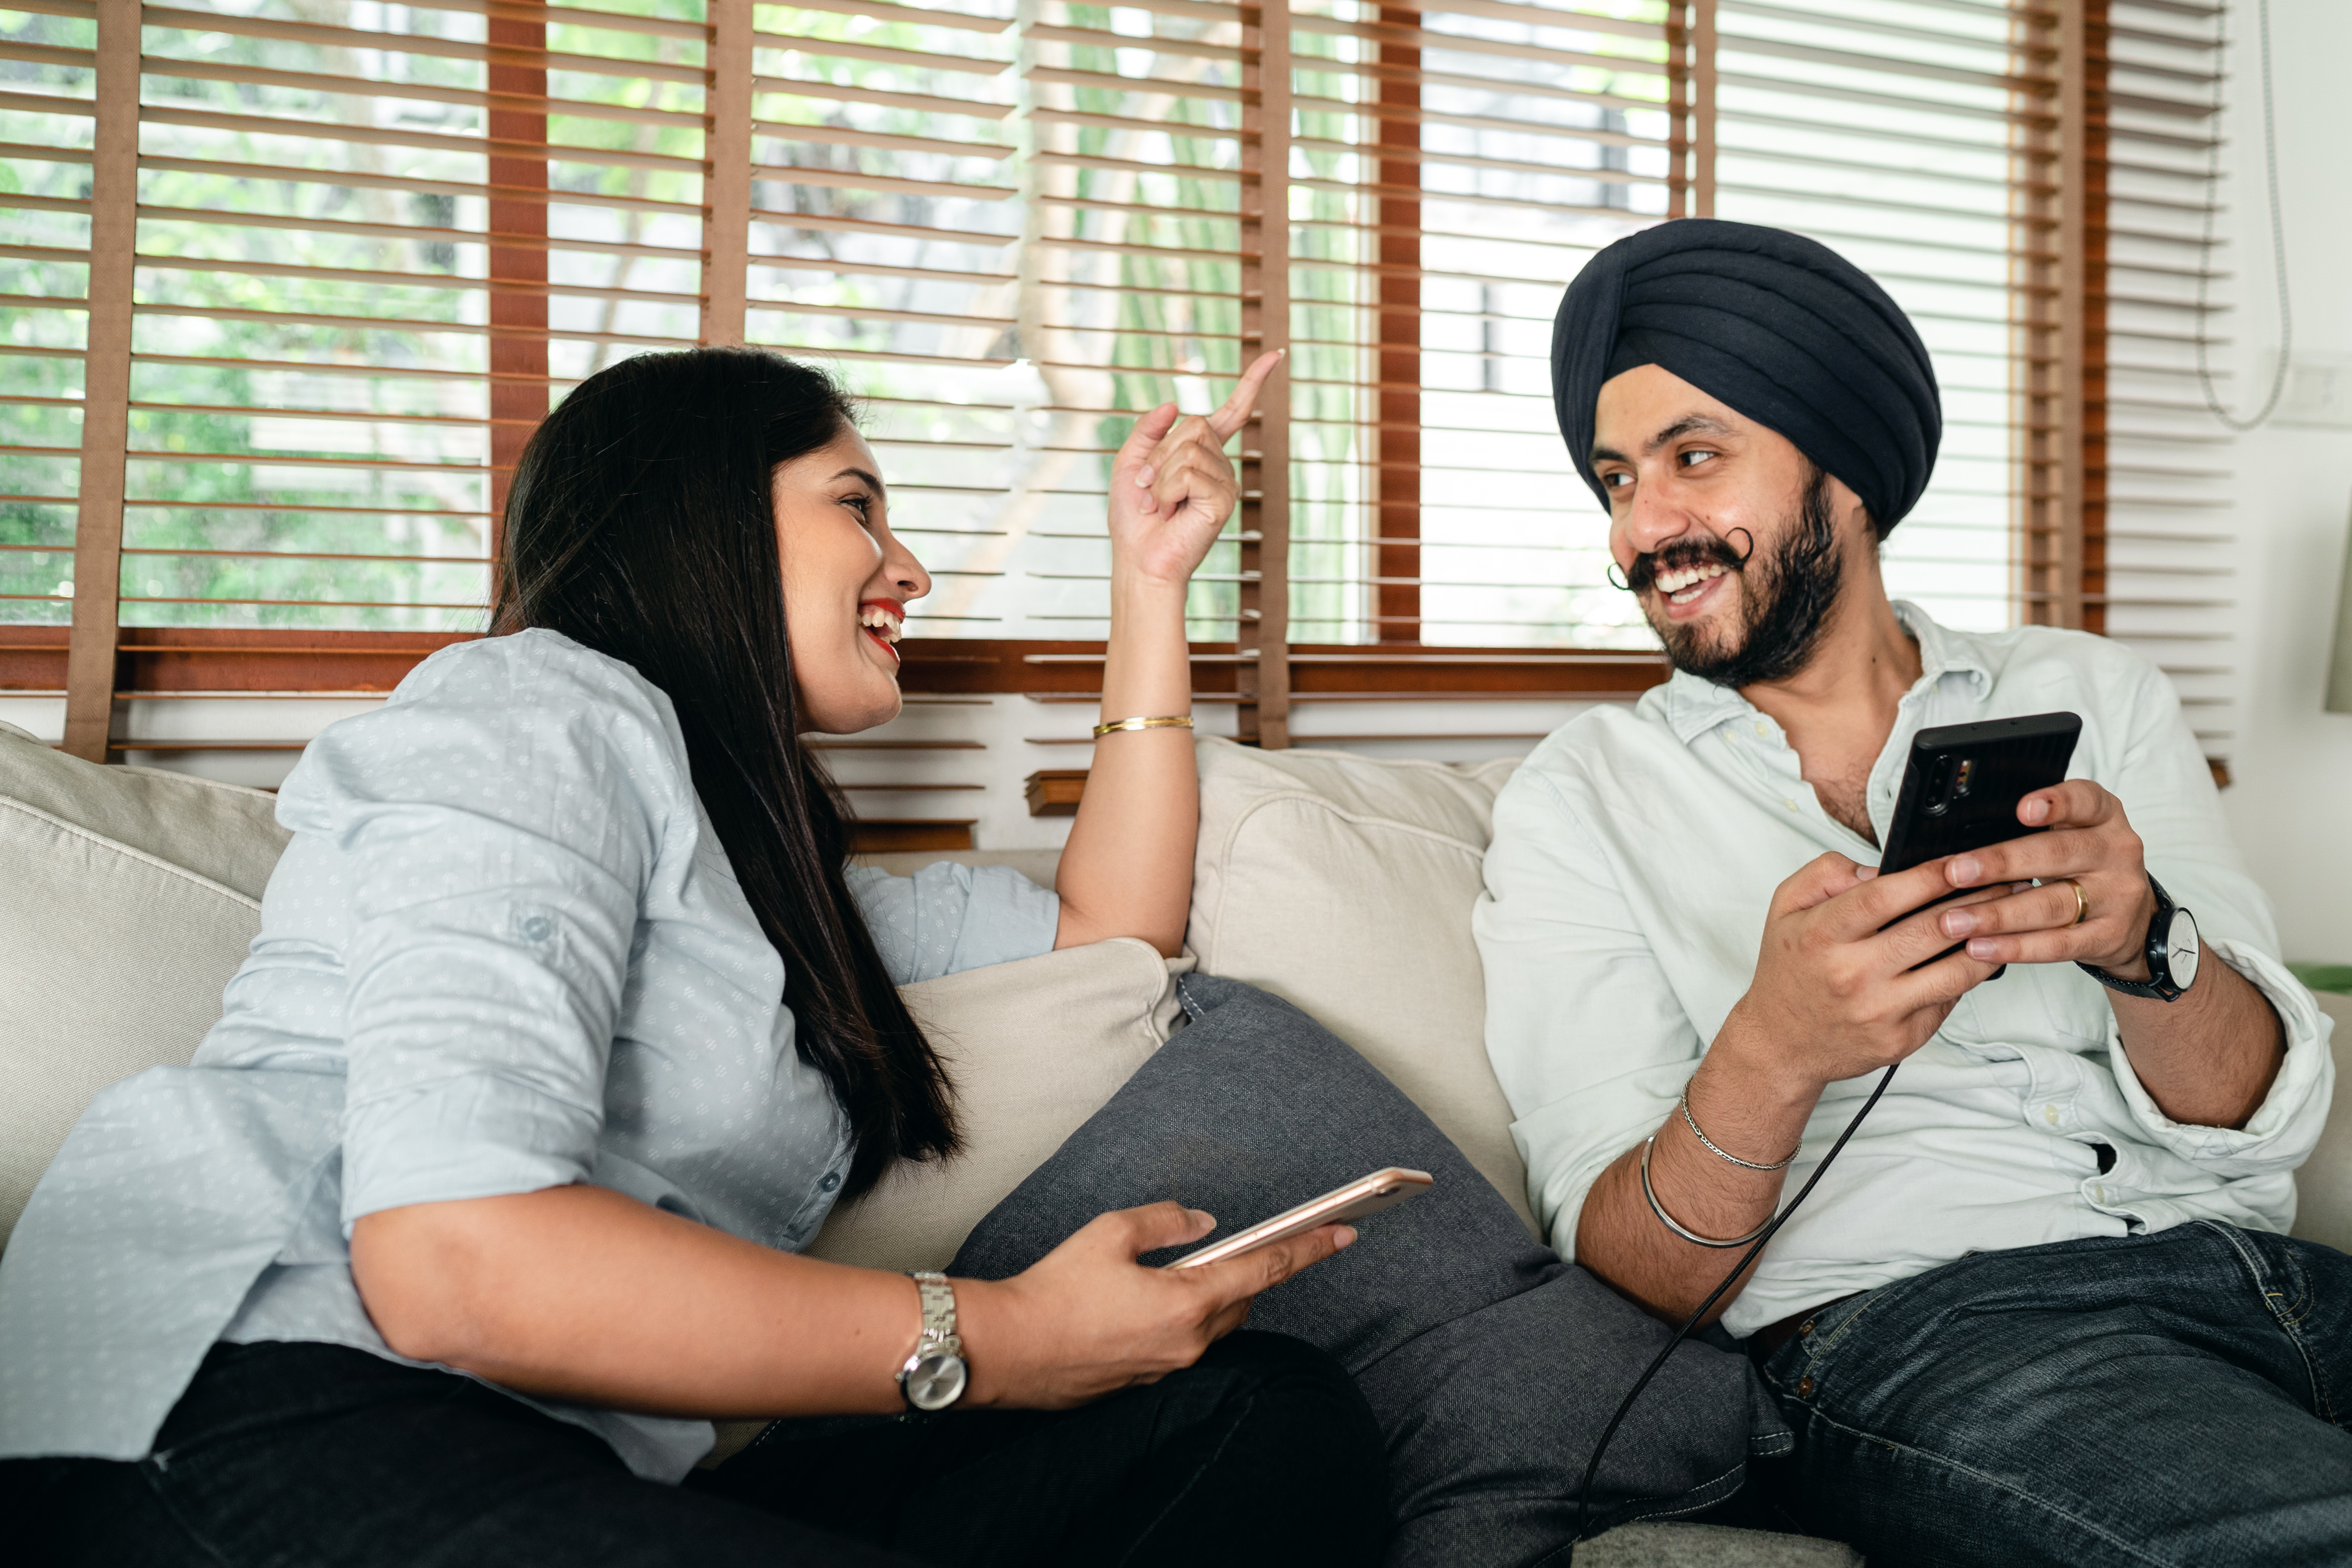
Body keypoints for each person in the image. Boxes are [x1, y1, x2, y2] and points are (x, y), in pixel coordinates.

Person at [0, 346, 1390, 1566]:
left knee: (1257, 1415)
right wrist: (1005, 1337)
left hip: (551, 1464)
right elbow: (454, 1261)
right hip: (241, 1408)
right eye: (855, 504)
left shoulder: (782, 895)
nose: (908, 570)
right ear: (702, 516)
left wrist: (1150, 586)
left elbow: (1112, 938)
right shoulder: (534, 705)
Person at [1478, 217, 2346, 1564]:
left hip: (2280, 1285)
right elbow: (1633, 1270)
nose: (1643, 529)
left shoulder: (2093, 693)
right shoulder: (1580, 800)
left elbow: (2260, 1116)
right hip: (1946, 1336)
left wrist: (2144, 944)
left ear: (1851, 475)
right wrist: (1772, 1052)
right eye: (1615, 480)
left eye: (1693, 458)